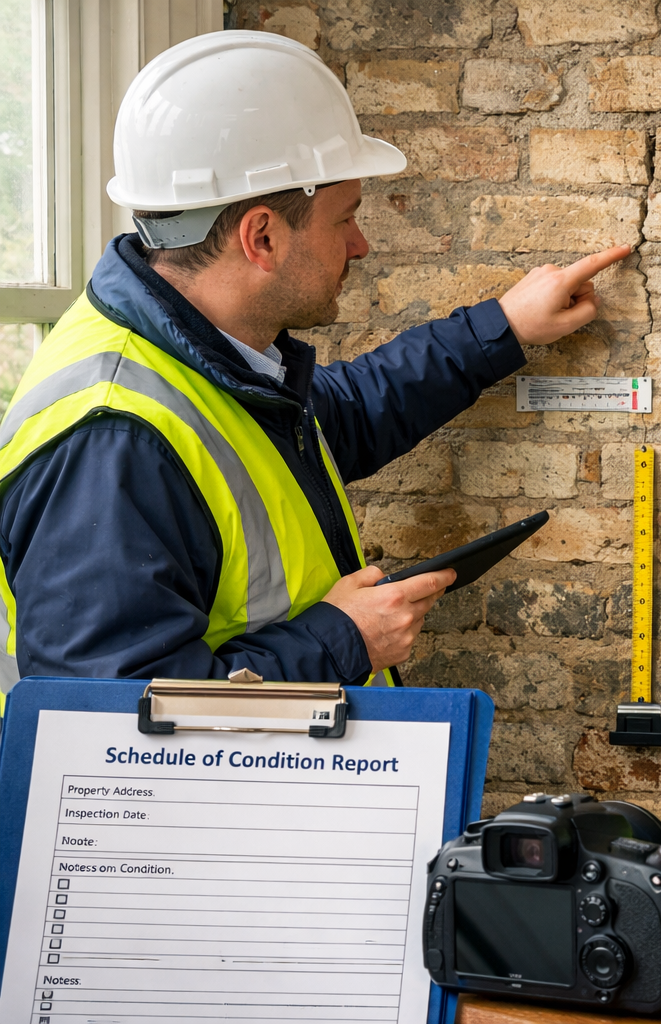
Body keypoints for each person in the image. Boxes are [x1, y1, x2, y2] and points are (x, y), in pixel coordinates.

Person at [0, 31, 625, 701]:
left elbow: (343, 414)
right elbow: (110, 724)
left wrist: (503, 327)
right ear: (262, 236)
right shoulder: (111, 444)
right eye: (344, 219)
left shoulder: (201, 360)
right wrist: (344, 641)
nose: (361, 244)